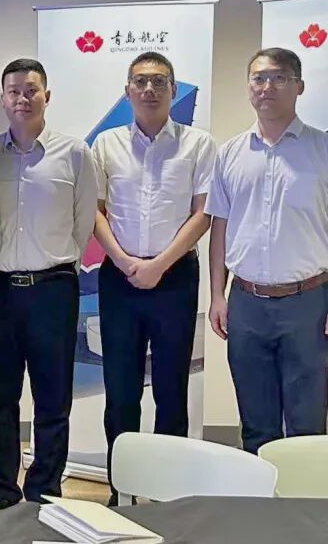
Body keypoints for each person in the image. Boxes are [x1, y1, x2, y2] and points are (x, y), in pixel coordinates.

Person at [206, 47, 328, 454]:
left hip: (307, 303)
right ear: (249, 87)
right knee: (255, 423)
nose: (267, 87)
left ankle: (304, 496)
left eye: (278, 77)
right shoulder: (230, 153)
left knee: (306, 423)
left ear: (299, 86)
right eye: (258, 78)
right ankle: (262, 495)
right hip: (246, 302)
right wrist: (217, 295)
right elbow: (220, 228)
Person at [92, 51, 215, 502]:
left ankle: (167, 493)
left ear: (173, 90)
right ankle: (121, 489)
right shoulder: (106, 144)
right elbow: (94, 211)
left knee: (171, 388)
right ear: (128, 91)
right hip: (119, 277)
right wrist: (125, 261)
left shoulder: (198, 144)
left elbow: (203, 214)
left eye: (159, 81)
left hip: (175, 277)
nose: (149, 89)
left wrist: (159, 264)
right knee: (120, 391)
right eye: (140, 81)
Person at [0, 58, 97, 508]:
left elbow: (84, 222)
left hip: (53, 290)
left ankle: (45, 490)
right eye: (13, 91)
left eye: (31, 90)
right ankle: (4, 490)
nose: (22, 98)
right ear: (4, 99)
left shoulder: (75, 153)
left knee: (52, 398)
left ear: (47, 95)